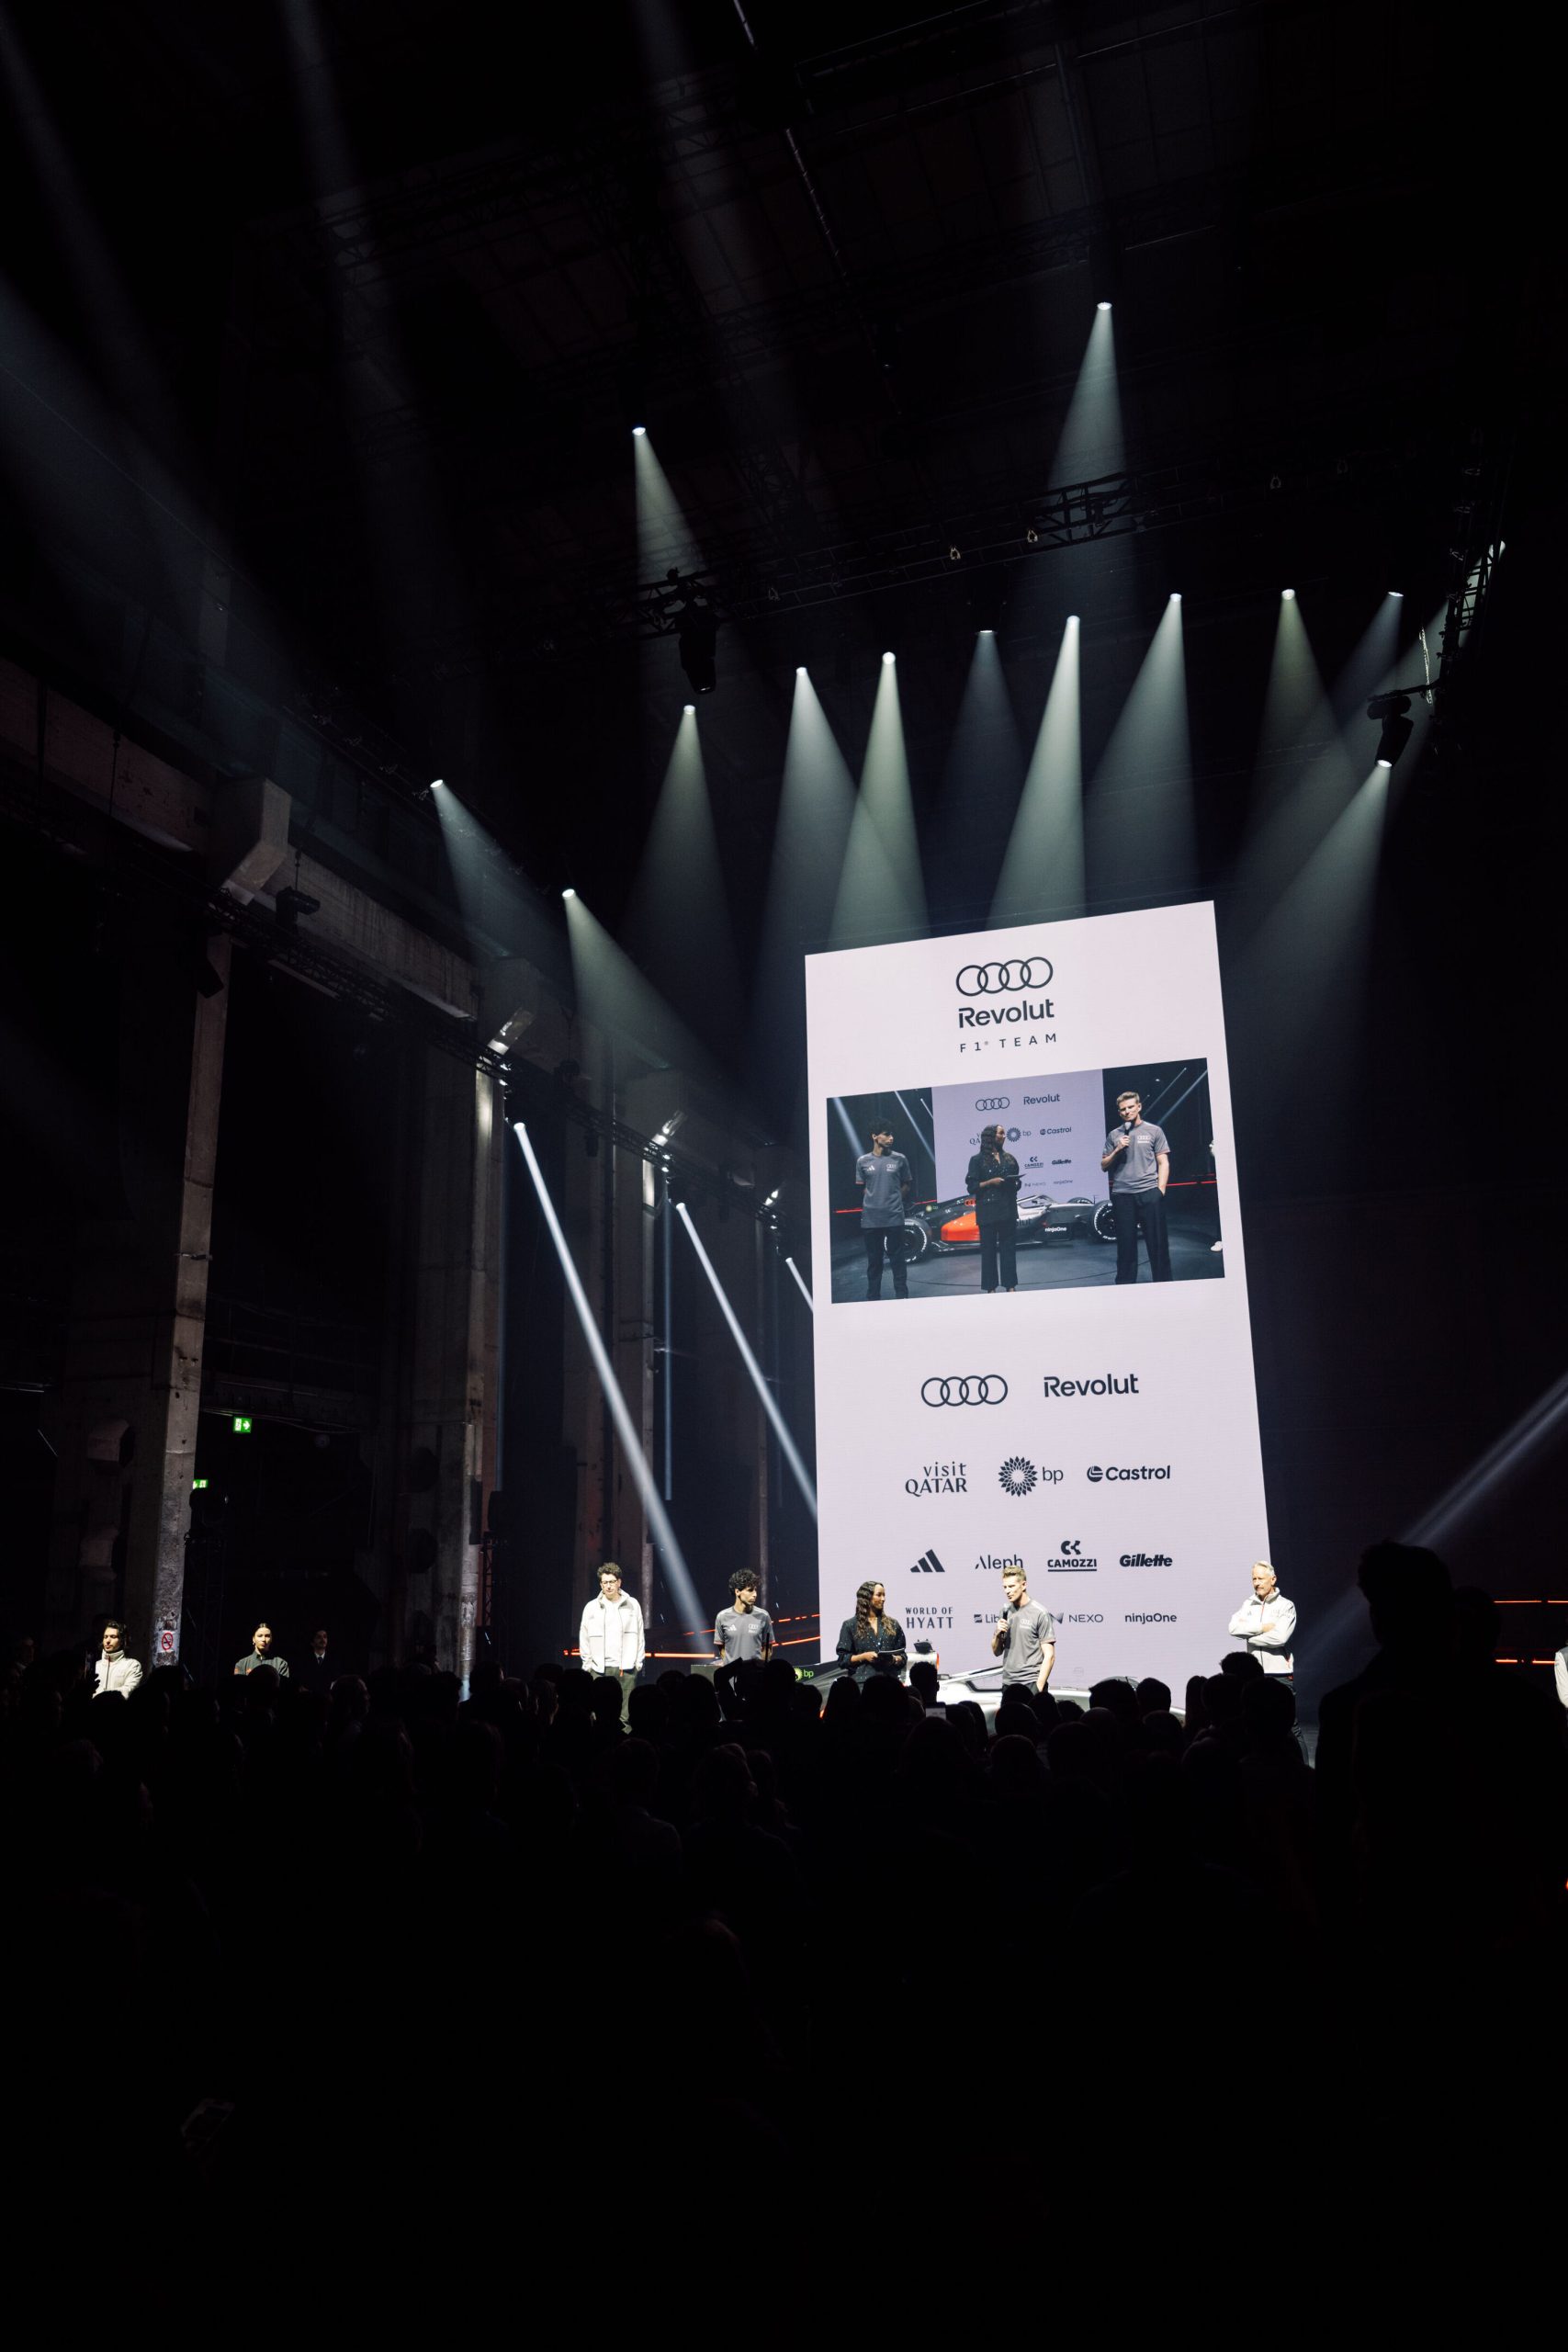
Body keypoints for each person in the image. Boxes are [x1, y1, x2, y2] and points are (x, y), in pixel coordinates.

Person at [1100, 1089, 1171, 1283]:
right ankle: (1125, 1288)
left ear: (1139, 1107)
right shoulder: (1114, 1135)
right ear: (1119, 1112)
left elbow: (1163, 1162)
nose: (1127, 1111)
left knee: (1158, 1245)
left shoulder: (1154, 1131)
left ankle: (1164, 1285)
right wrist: (1117, 1149)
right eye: (1123, 1109)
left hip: (1149, 1193)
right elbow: (1104, 1165)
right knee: (1126, 1247)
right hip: (1123, 1195)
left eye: (1131, 1107)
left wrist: (1160, 1190)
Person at [578, 1562, 645, 1721]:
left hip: (626, 1669)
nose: (608, 1586)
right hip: (598, 1669)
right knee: (598, 1713)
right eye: (605, 1582)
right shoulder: (591, 1607)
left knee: (625, 1716)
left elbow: (640, 1635)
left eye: (612, 1582)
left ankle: (623, 1743)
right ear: (601, 1584)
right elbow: (584, 1637)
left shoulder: (633, 1604)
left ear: (619, 1582)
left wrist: (638, 1663)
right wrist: (587, 1665)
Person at [854, 1124, 912, 1300]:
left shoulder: (900, 1159)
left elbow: (907, 1184)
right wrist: (875, 1200)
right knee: (874, 1261)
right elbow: (862, 1187)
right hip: (871, 1219)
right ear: (874, 1136)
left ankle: (902, 1296)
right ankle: (873, 1298)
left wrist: (894, 1200)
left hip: (894, 1217)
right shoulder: (862, 1161)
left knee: (898, 1260)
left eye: (892, 1134)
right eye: (886, 1135)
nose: (891, 1138)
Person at [965, 1121, 1021, 1293]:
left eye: (1004, 1133)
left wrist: (1016, 1182)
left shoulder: (1009, 1158)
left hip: (1008, 1209)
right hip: (988, 1212)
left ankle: (1010, 1287)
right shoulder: (976, 1160)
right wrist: (991, 1182)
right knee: (988, 1253)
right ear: (991, 1136)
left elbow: (1017, 1182)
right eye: (1001, 1133)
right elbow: (972, 1187)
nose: (1004, 1136)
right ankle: (991, 1289)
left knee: (1008, 1251)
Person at [991, 1566, 1055, 1699]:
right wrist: (998, 1634)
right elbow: (997, 1651)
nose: (1007, 1591)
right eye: (1005, 1587)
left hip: (1031, 1683)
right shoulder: (1005, 1612)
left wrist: (1038, 1688)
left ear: (1023, 1585)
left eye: (1011, 1586)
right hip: (1008, 1684)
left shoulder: (1039, 1613)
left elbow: (1049, 1656)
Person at [1226, 1561, 1296, 1678]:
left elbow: (1280, 1638)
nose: (1257, 1583)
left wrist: (1250, 1638)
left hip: (1280, 1674)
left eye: (1261, 1578)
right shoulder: (1248, 1604)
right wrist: (1262, 1628)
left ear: (1273, 1579)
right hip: (1254, 1673)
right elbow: (1233, 1628)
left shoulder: (1286, 1605)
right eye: (1254, 1579)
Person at [835, 1579, 906, 1684]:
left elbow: (903, 1656)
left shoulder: (893, 1624)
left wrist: (894, 1660)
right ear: (867, 1598)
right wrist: (863, 1656)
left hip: (890, 1684)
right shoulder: (850, 1625)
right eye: (879, 1595)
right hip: (863, 1684)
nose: (883, 1599)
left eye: (884, 1595)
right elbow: (842, 1659)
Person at [714, 1570, 773, 1669]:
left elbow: (768, 1650)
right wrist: (731, 1667)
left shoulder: (764, 1616)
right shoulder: (722, 1617)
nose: (755, 1594)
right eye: (750, 1590)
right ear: (737, 1592)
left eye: (755, 1590)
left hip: (755, 1679)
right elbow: (722, 1649)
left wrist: (759, 1669)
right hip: (731, 1679)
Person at [93, 1620, 142, 1697]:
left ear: (122, 1640)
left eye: (113, 1637)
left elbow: (127, 1691)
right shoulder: (95, 1666)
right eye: (105, 1637)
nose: (108, 1641)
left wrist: (99, 1697)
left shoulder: (132, 1665)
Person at [298, 1627, 334, 1698]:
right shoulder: (303, 1661)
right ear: (312, 1642)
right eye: (319, 1637)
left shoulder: (334, 1661)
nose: (323, 1640)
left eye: (325, 1637)